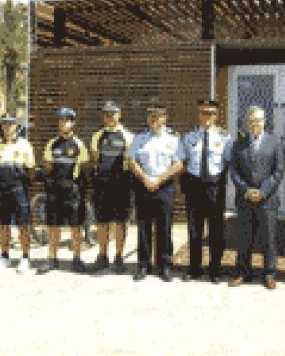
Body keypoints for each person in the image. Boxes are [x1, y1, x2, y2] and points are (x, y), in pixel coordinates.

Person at [228, 106, 283, 290]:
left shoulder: (275, 142)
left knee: (269, 239)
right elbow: (234, 171)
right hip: (245, 199)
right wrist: (247, 190)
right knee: (244, 239)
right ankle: (243, 273)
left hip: (267, 199)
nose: (254, 124)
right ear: (247, 122)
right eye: (251, 121)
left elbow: (279, 171)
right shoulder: (239, 143)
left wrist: (263, 191)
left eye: (258, 120)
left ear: (264, 121)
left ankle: (269, 274)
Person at [128, 105, 183, 282]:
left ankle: (164, 265)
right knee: (143, 227)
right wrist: (145, 179)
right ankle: (143, 265)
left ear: (164, 118)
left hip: (164, 186)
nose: (153, 120)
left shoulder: (173, 139)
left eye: (157, 116)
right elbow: (132, 161)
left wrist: (159, 180)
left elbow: (179, 164)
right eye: (151, 116)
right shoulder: (139, 138)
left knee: (164, 227)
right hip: (144, 186)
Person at [181, 99, 231, 283]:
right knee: (195, 229)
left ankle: (215, 269)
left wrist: (219, 183)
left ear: (217, 116)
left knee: (216, 230)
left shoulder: (225, 138)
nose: (207, 116)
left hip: (214, 187)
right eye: (204, 112)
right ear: (198, 114)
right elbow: (183, 162)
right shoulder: (189, 138)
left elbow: (227, 163)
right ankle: (194, 268)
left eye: (211, 113)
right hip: (194, 187)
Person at [36, 108, 89, 275]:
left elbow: (84, 169)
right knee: (53, 226)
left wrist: (78, 188)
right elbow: (48, 167)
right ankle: (52, 259)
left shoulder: (79, 144)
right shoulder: (52, 143)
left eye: (67, 120)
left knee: (76, 227)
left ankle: (77, 258)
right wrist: (49, 181)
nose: (63, 123)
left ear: (73, 123)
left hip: (72, 192)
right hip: (55, 192)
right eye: (60, 120)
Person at [90, 101, 134, 274]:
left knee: (121, 222)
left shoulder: (128, 136)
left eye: (113, 113)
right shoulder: (97, 136)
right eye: (106, 114)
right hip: (102, 185)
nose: (109, 117)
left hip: (121, 184)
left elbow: (131, 163)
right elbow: (94, 159)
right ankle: (102, 256)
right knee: (102, 222)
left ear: (119, 114)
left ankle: (119, 257)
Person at [0, 115, 36, 274]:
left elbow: (31, 169)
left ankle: (25, 257)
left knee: (23, 224)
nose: (8, 127)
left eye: (11, 124)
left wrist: (24, 187)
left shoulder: (24, 145)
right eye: (5, 124)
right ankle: (4, 256)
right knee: (3, 224)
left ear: (16, 126)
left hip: (19, 189)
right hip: (2, 190)